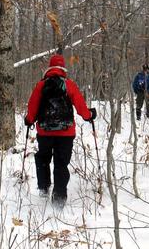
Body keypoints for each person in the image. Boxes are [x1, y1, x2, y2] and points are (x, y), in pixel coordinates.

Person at [25, 54, 96, 208]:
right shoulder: (69, 84)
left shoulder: (41, 85)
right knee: (61, 163)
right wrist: (89, 115)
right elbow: (81, 106)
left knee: (43, 158)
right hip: (66, 133)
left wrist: (29, 120)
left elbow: (32, 107)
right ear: (63, 68)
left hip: (44, 132)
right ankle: (58, 199)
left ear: (49, 68)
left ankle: (44, 188)